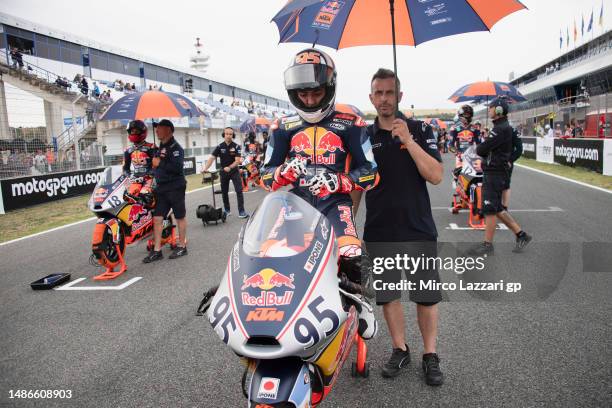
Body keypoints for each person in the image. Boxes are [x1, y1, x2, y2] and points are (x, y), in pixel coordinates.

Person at [261, 48, 379, 340]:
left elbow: (371, 172)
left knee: (351, 254)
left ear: (329, 88)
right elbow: (265, 176)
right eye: (303, 95)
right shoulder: (282, 127)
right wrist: (281, 174)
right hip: (294, 206)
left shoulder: (351, 124)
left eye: (316, 93)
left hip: (334, 204)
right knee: (269, 258)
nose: (310, 100)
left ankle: (362, 303)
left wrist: (338, 181)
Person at [351, 68, 444, 386]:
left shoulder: (419, 128)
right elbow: (356, 187)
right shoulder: (362, 137)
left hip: (418, 229)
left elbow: (436, 175)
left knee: (426, 297)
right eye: (378, 93)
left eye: (390, 92)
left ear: (400, 96)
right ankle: (399, 348)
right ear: (371, 97)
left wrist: (409, 141)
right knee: (388, 296)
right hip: (379, 231)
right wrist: (348, 225)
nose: (384, 99)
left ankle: (430, 355)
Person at [468, 97, 532, 255]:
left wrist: (486, 145)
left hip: (495, 172)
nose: (489, 110)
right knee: (496, 208)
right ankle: (521, 234)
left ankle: (487, 245)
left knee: (489, 209)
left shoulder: (500, 129)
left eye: (491, 108)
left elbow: (481, 150)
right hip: (495, 172)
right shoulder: (500, 127)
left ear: (498, 110)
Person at [143, 119, 188, 262]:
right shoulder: (158, 148)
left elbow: (177, 168)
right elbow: (155, 166)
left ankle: (182, 246)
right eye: (156, 129)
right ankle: (157, 251)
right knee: (157, 218)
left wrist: (160, 163)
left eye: (159, 128)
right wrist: (151, 166)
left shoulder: (177, 148)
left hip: (175, 187)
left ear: (168, 130)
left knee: (179, 216)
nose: (156, 131)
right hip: (161, 188)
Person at [201, 127, 248, 218]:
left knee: (239, 191)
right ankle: (227, 210)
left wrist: (230, 167)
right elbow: (212, 158)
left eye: (230, 134)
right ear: (224, 135)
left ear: (233, 135)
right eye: (227, 134)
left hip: (234, 171)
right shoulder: (219, 146)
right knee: (224, 192)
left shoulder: (237, 146)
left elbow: (237, 161)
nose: (228, 136)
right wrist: (205, 168)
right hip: (223, 172)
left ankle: (241, 211)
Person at [122, 120, 156, 206]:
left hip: (150, 179)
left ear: (142, 132)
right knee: (128, 198)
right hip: (135, 180)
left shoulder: (151, 147)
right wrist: (130, 176)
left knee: (146, 197)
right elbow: (125, 168)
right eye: (131, 131)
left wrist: (149, 175)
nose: (133, 133)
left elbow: (158, 165)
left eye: (136, 131)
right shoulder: (128, 150)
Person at [502, 125, 523, 210]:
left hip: (506, 162)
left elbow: (519, 149)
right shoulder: (494, 129)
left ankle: (504, 207)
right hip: (494, 162)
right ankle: (494, 205)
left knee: (505, 184)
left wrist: (510, 160)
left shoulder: (513, 130)